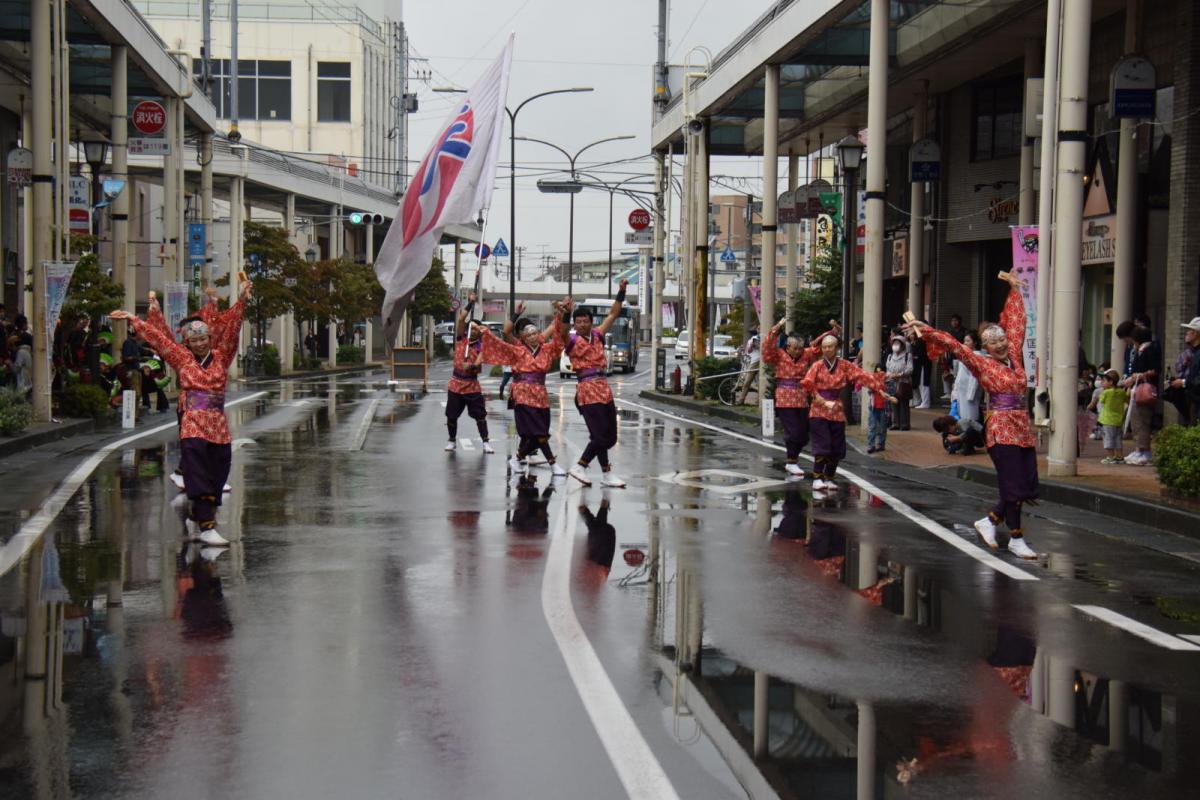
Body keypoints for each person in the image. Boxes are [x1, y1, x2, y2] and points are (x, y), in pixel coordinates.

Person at [904, 272, 1039, 560]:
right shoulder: (981, 362)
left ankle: (990, 520)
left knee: (1025, 484)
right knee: (1013, 483)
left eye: (1001, 339)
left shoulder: (1014, 353)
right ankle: (1015, 538)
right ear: (985, 347)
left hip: (1022, 427)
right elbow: (954, 346)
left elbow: (1017, 323)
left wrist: (1015, 291)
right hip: (1001, 427)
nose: (1001, 344)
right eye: (993, 342)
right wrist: (926, 330)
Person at [110, 281, 251, 547]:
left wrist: (242, 300)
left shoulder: (222, 356)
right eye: (193, 340)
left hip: (218, 425)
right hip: (193, 422)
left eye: (202, 339)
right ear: (186, 342)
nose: (198, 344)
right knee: (196, 468)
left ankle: (198, 512)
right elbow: (160, 339)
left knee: (218, 471)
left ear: (210, 339)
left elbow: (232, 330)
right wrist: (134, 319)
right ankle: (207, 525)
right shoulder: (182, 358)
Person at [481, 301, 569, 477]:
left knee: (538, 432)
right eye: (528, 334)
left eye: (535, 333)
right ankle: (552, 464)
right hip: (523, 393)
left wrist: (562, 313)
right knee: (538, 432)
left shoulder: (546, 349)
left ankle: (517, 458)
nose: (533, 336)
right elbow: (504, 334)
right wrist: (515, 315)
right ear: (522, 337)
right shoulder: (518, 349)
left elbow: (559, 336)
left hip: (540, 394)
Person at [801, 334, 893, 491]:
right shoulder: (817, 365)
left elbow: (861, 376)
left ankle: (829, 477)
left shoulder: (844, 365)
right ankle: (818, 477)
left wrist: (879, 389)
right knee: (823, 444)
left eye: (830, 346)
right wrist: (818, 398)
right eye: (824, 347)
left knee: (837, 447)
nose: (826, 349)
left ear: (836, 348)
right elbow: (808, 383)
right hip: (819, 408)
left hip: (836, 408)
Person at [567, 279, 630, 488]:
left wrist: (621, 291)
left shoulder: (598, 335)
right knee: (601, 436)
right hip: (586, 389)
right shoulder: (572, 340)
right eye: (579, 322)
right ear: (575, 324)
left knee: (608, 436)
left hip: (603, 387)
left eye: (586, 321)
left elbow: (613, 313)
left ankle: (606, 474)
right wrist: (566, 313)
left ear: (591, 322)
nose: (582, 324)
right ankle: (580, 466)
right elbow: (560, 332)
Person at [762, 318, 840, 475]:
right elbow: (768, 347)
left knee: (804, 435)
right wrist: (777, 328)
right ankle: (791, 462)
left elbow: (821, 345)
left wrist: (833, 331)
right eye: (794, 348)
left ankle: (793, 460)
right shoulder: (778, 355)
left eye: (800, 348)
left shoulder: (806, 354)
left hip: (802, 399)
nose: (798, 351)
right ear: (788, 347)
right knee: (794, 432)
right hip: (785, 399)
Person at [444, 292, 495, 454]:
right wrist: (470, 304)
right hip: (456, 384)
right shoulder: (461, 340)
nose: (473, 331)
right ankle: (452, 440)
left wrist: (472, 365)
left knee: (480, 415)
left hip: (472, 385)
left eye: (476, 329)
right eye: (471, 327)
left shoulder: (482, 345)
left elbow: (480, 359)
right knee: (451, 415)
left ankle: (486, 442)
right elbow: (460, 319)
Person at [1120, 324, 1161, 466]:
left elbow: (1155, 369)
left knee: (1142, 420)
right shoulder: (1141, 350)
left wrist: (1138, 376)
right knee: (1136, 420)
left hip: (1144, 388)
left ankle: (1145, 451)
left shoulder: (1149, 350)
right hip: (1137, 388)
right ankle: (1139, 449)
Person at [1167, 317, 1200, 425]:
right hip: (1191, 398)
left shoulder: (1198, 353)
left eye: (1188, 331)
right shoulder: (1194, 352)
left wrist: (1183, 382)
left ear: (1195, 333)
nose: (1186, 333)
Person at [1096, 369, 1129, 464]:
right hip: (1118, 419)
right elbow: (1127, 400)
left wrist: (1103, 391)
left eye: (1104, 381)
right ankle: (1119, 456)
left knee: (1108, 438)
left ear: (1110, 382)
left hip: (1107, 420)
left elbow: (1101, 401)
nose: (1102, 383)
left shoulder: (1106, 393)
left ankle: (1111, 456)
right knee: (1118, 438)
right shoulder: (1121, 392)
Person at [951, 331, 984, 428]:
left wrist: (971, 394)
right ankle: (965, 433)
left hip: (970, 393)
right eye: (964, 341)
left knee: (970, 416)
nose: (965, 343)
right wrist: (955, 390)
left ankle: (971, 434)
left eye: (968, 341)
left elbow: (975, 377)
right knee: (962, 414)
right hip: (962, 390)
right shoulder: (964, 355)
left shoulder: (977, 356)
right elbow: (960, 374)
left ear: (975, 343)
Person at [863, 365, 895, 454]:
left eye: (881, 372)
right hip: (873, 407)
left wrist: (883, 385)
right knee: (872, 427)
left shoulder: (889, 381)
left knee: (882, 428)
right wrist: (875, 385)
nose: (879, 373)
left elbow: (893, 392)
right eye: (877, 372)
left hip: (884, 408)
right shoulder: (872, 381)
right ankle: (871, 445)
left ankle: (881, 444)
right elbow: (869, 391)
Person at [885, 332, 913, 430]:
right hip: (892, 382)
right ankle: (895, 423)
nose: (895, 346)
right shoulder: (889, 356)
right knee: (894, 403)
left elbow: (910, 369)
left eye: (898, 343)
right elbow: (887, 369)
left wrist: (900, 375)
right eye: (894, 343)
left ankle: (905, 424)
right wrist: (890, 375)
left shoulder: (907, 356)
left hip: (903, 382)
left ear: (903, 345)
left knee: (904, 403)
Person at [908, 328, 932, 409]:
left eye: (912, 333)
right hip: (920, 365)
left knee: (924, 384)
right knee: (921, 384)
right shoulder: (916, 342)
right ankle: (924, 401)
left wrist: (915, 357)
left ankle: (925, 402)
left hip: (923, 365)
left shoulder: (921, 341)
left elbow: (920, 355)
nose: (910, 335)